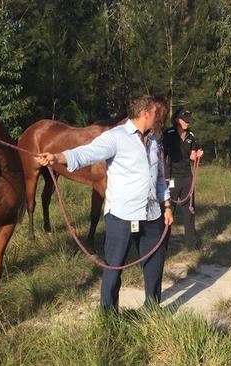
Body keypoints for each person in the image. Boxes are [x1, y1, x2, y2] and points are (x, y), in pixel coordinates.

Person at [35, 95, 174, 309]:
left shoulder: (154, 142)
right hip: (122, 215)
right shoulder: (116, 137)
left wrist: (166, 206)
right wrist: (56, 158)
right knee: (114, 266)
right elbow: (86, 153)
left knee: (155, 264)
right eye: (156, 114)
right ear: (146, 113)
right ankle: (108, 314)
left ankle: (152, 308)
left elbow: (159, 177)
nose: (159, 118)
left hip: (153, 213)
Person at [162, 110, 203, 250]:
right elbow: (161, 153)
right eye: (184, 119)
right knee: (168, 210)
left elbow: (192, 156)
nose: (187, 121)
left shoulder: (191, 135)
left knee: (189, 211)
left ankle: (191, 244)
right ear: (177, 120)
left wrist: (197, 154)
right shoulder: (168, 134)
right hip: (172, 177)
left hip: (187, 177)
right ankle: (163, 244)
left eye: (188, 119)